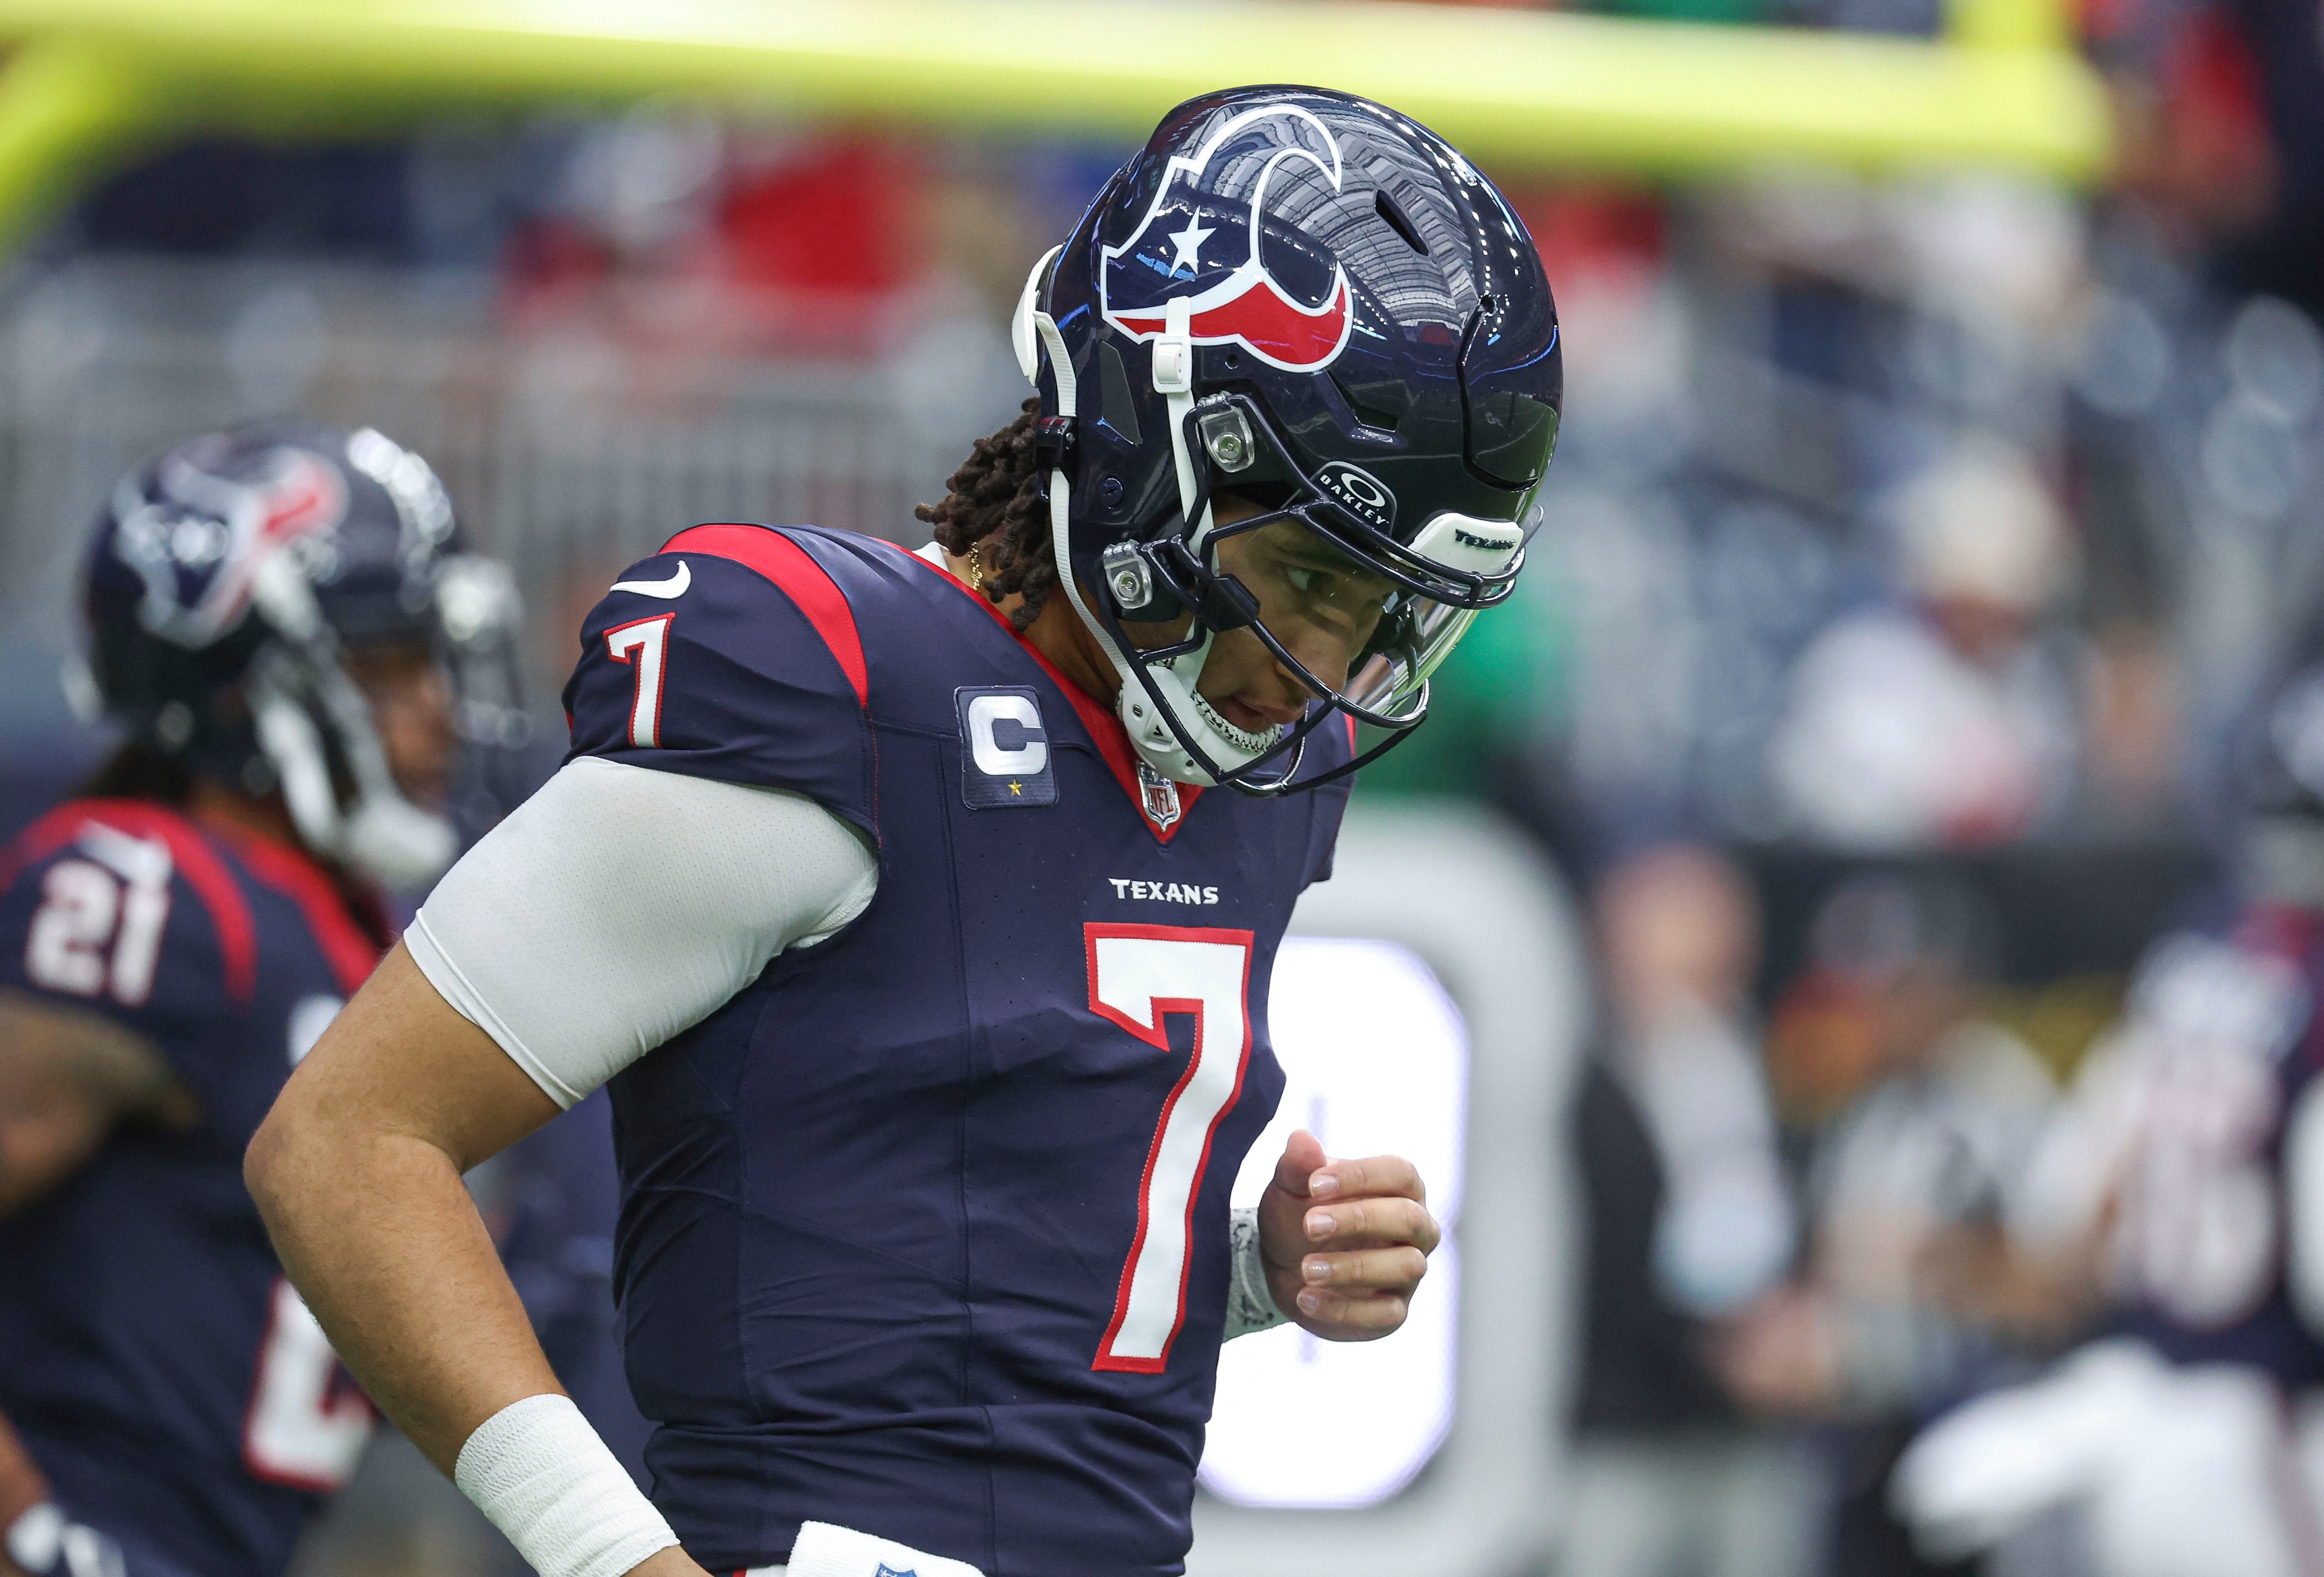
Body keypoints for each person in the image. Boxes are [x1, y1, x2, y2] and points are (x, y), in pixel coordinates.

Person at [243, 85, 1562, 1577]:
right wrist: (611, 1554)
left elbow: (977, 1243)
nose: (1325, 659)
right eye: (1308, 575)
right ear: (1155, 439)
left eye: (1391, 611)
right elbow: (345, 1140)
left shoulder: (1268, 765)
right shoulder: (837, 681)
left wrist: (1250, 1260)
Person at [0, 424, 503, 1577]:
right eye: (385, 668)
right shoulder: (152, 891)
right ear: (236, 688)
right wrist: (30, 1524)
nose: (435, 709)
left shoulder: (341, 930)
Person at [1894, 650, 2324, 1577]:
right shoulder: (2303, 989)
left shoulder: (2197, 952)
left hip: (2148, 1418)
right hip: (2268, 1433)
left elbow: (2073, 1203)